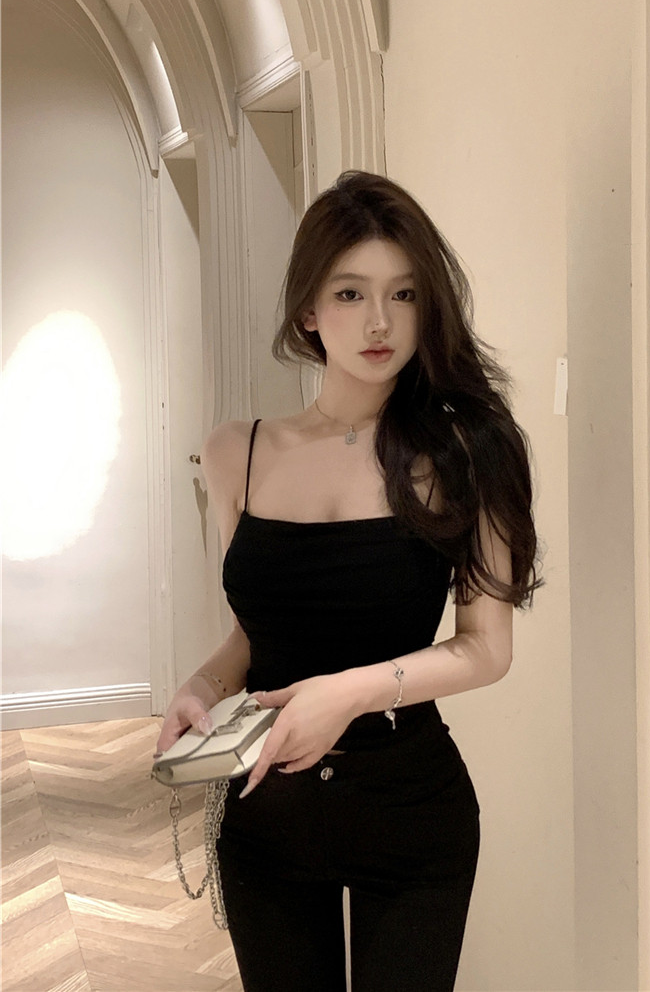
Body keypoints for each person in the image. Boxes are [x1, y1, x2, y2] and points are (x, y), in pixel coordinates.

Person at [156, 170, 542, 992]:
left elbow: (487, 649)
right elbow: (256, 630)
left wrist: (348, 694)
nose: (379, 322)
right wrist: (201, 687)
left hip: (411, 811)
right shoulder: (236, 452)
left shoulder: (471, 453)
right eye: (350, 292)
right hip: (266, 814)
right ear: (308, 309)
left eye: (404, 294)